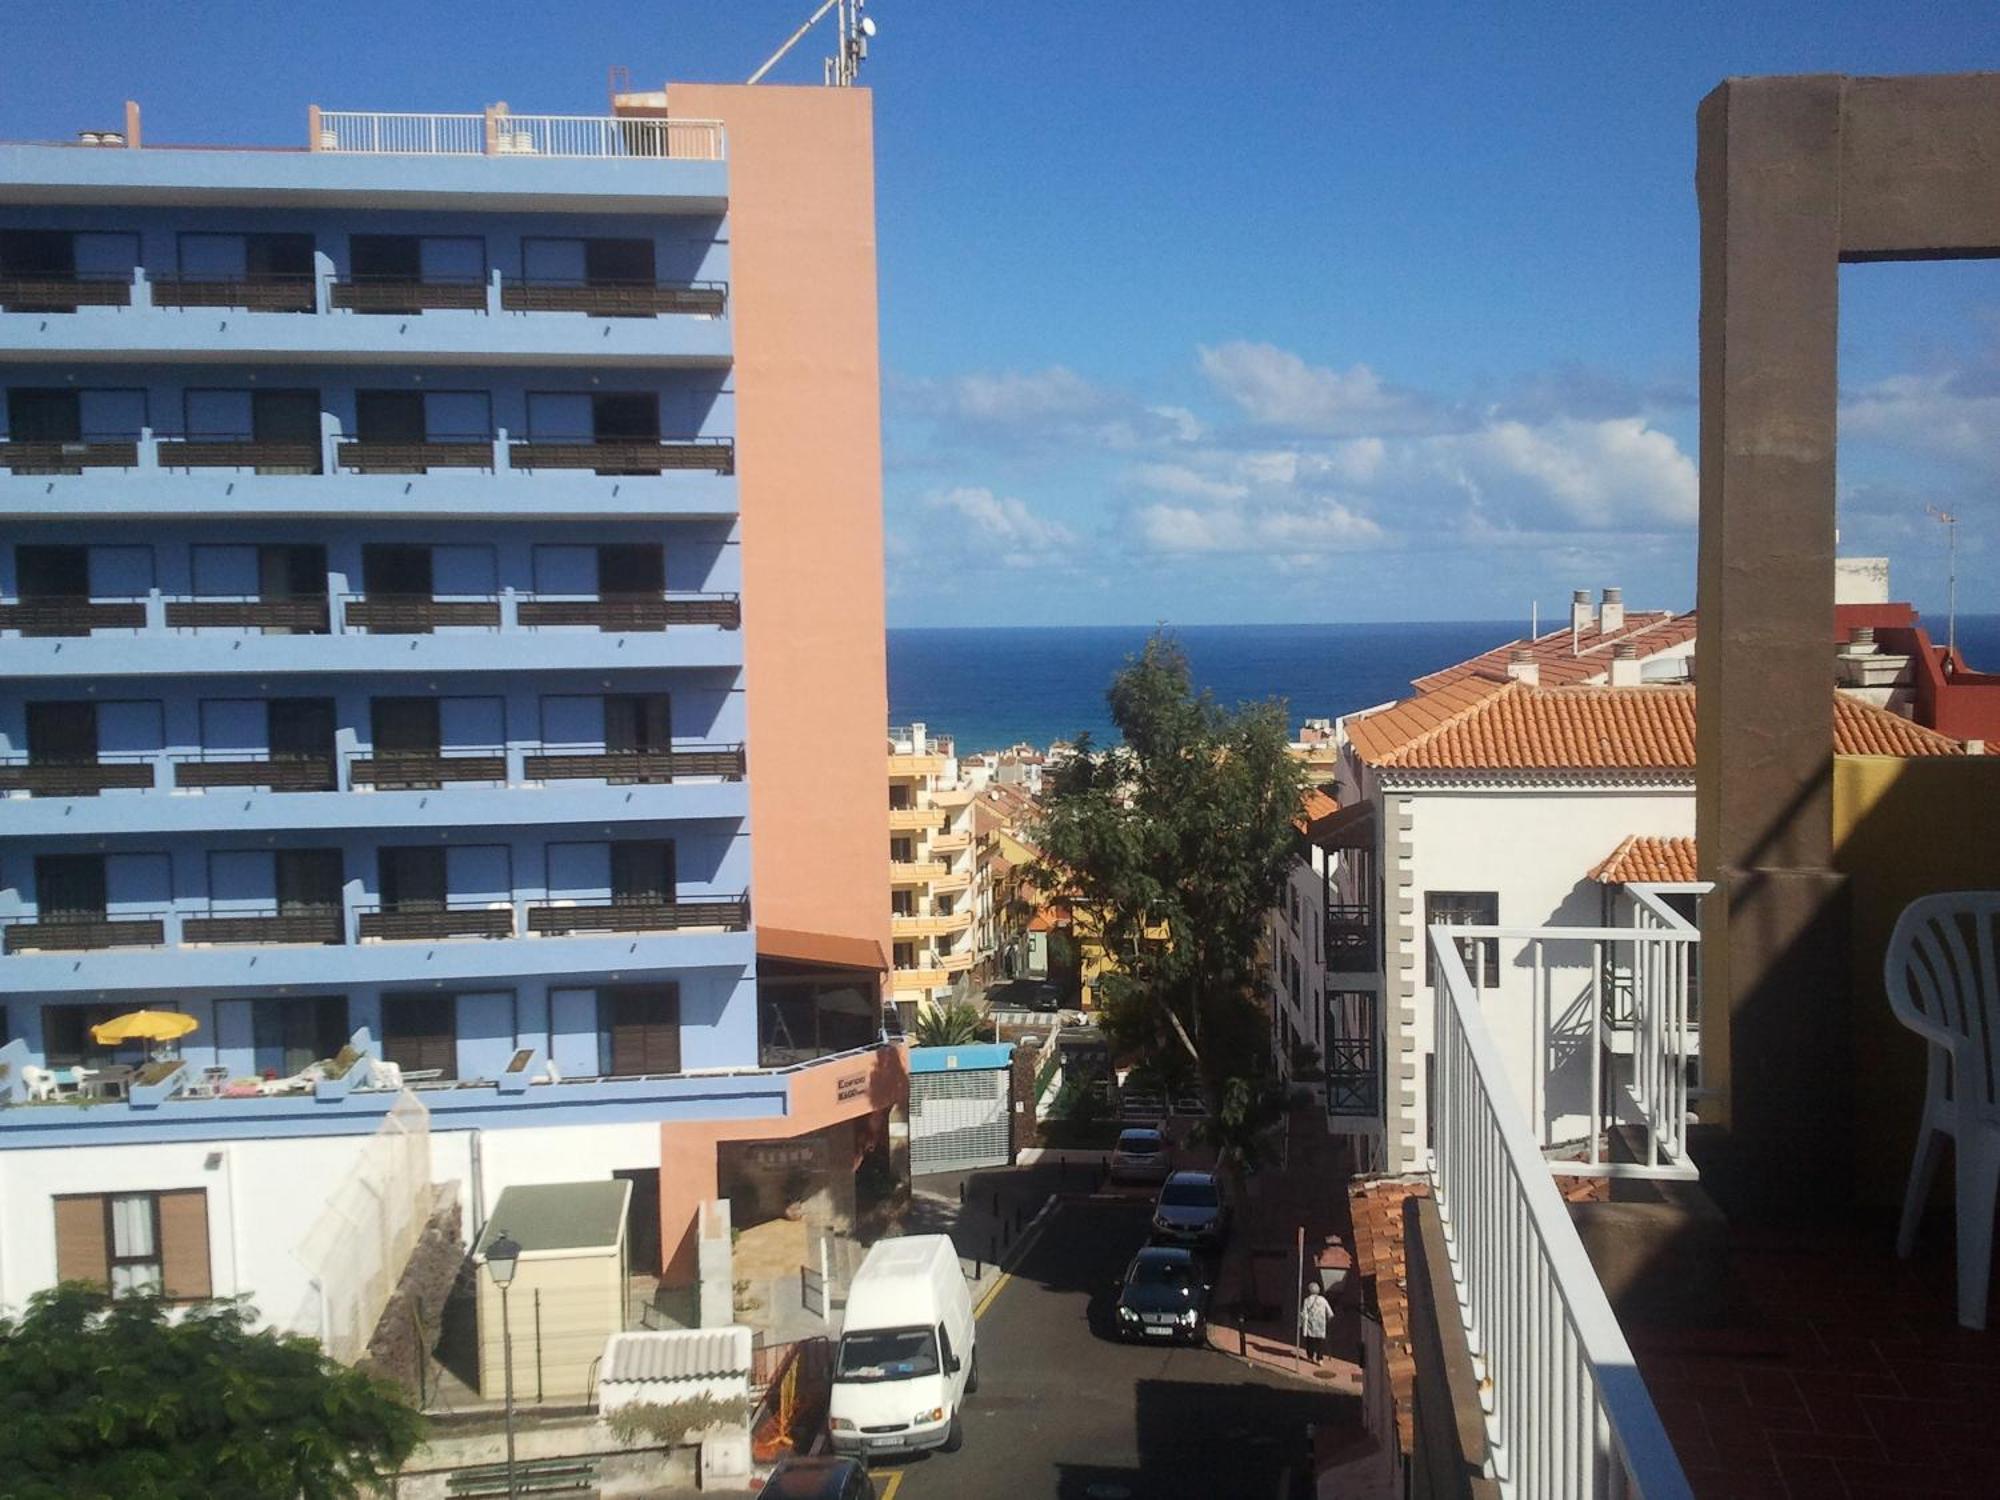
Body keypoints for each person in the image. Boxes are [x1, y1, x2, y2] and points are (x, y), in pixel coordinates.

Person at [1300, 1282, 1333, 1365]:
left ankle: (1310, 1357)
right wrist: (1327, 1320)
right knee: (1320, 1342)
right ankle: (1320, 1359)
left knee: (1310, 1341)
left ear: (1309, 1290)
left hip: (1310, 1325)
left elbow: (1304, 1313)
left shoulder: (1307, 1300)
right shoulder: (1323, 1300)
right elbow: (1330, 1313)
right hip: (1321, 1325)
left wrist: (1301, 1322)